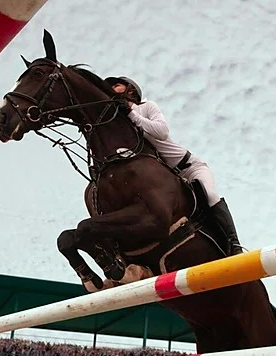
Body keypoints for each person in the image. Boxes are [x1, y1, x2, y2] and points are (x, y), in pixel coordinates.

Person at [105, 76, 245, 256]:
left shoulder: (147, 107)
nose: (111, 88)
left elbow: (161, 132)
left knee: (209, 195)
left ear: (130, 90)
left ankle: (234, 244)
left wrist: (132, 113)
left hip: (190, 167)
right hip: (170, 179)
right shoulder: (122, 123)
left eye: (116, 85)